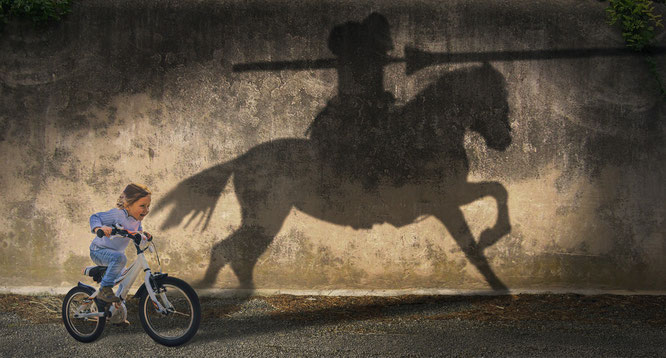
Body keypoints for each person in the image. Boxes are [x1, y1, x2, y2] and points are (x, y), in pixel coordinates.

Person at [89, 183, 152, 303]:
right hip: (99, 251)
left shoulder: (136, 220)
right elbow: (95, 217)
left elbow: (137, 231)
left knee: (125, 282)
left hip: (116, 255)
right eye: (142, 206)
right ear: (128, 204)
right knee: (120, 258)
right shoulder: (117, 214)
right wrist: (99, 228)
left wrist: (144, 234)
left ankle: (116, 314)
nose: (146, 210)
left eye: (148, 206)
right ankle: (104, 289)